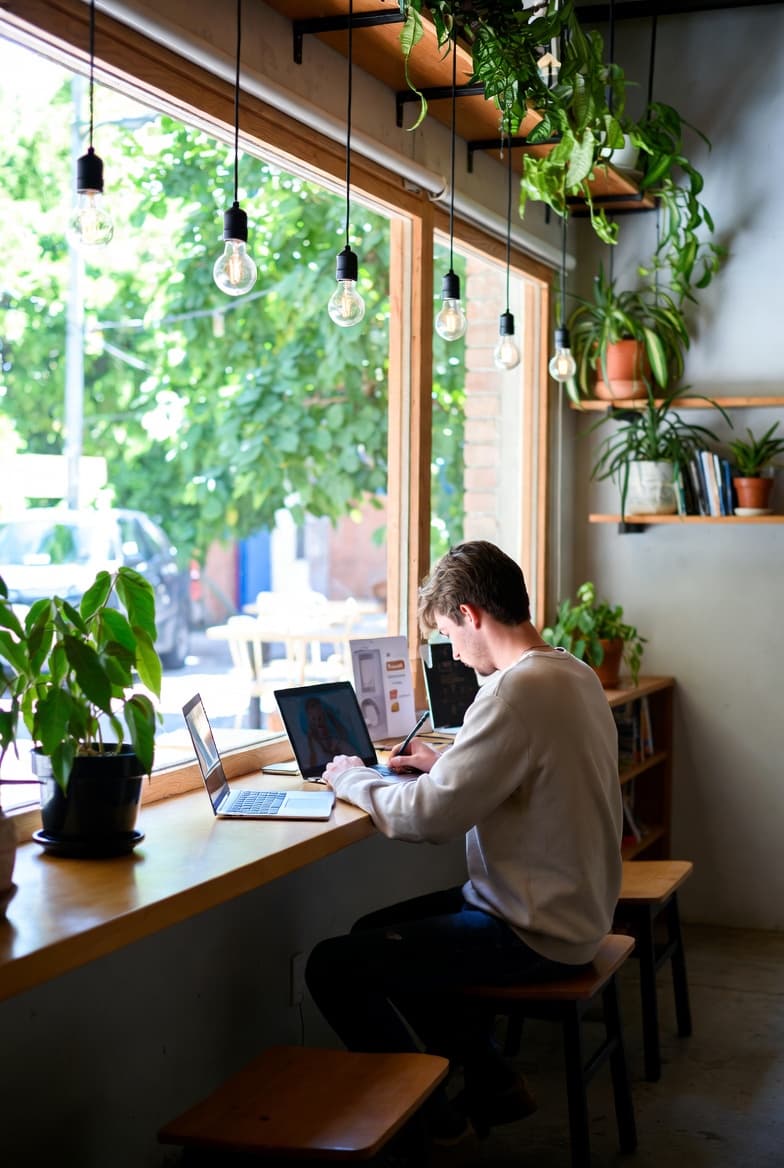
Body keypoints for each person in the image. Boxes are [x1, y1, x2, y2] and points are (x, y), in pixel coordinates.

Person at [305, 541, 622, 1164]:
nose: (450, 651)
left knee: (333, 966)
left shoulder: (509, 693)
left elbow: (426, 819)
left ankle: (433, 1125)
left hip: (534, 929)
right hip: (578, 910)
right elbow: (533, 771)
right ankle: (494, 1081)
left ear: (472, 614)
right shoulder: (571, 672)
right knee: (378, 932)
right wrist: (446, 760)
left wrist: (348, 776)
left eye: (449, 631)